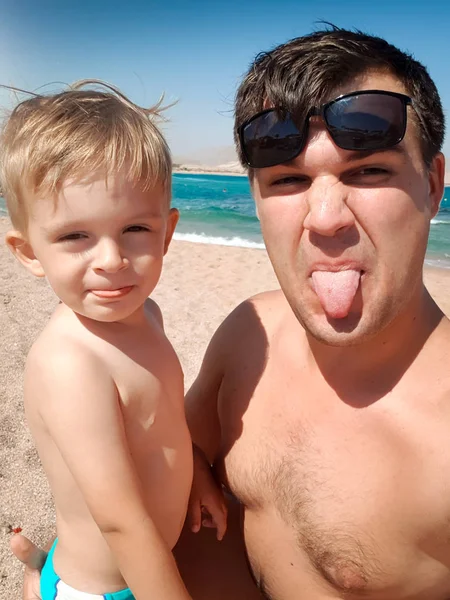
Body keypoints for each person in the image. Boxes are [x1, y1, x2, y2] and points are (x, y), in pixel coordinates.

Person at [12, 25, 450, 600]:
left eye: (368, 171)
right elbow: (168, 450)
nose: (324, 218)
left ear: (434, 185)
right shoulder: (251, 333)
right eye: (288, 180)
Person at [2, 81, 226, 600]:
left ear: (167, 233)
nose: (111, 259)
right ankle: (44, 577)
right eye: (75, 236)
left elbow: (165, 417)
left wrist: (196, 473)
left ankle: (39, 566)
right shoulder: (70, 363)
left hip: (144, 564)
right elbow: (121, 522)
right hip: (105, 588)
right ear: (29, 252)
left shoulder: (147, 313)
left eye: (135, 229)